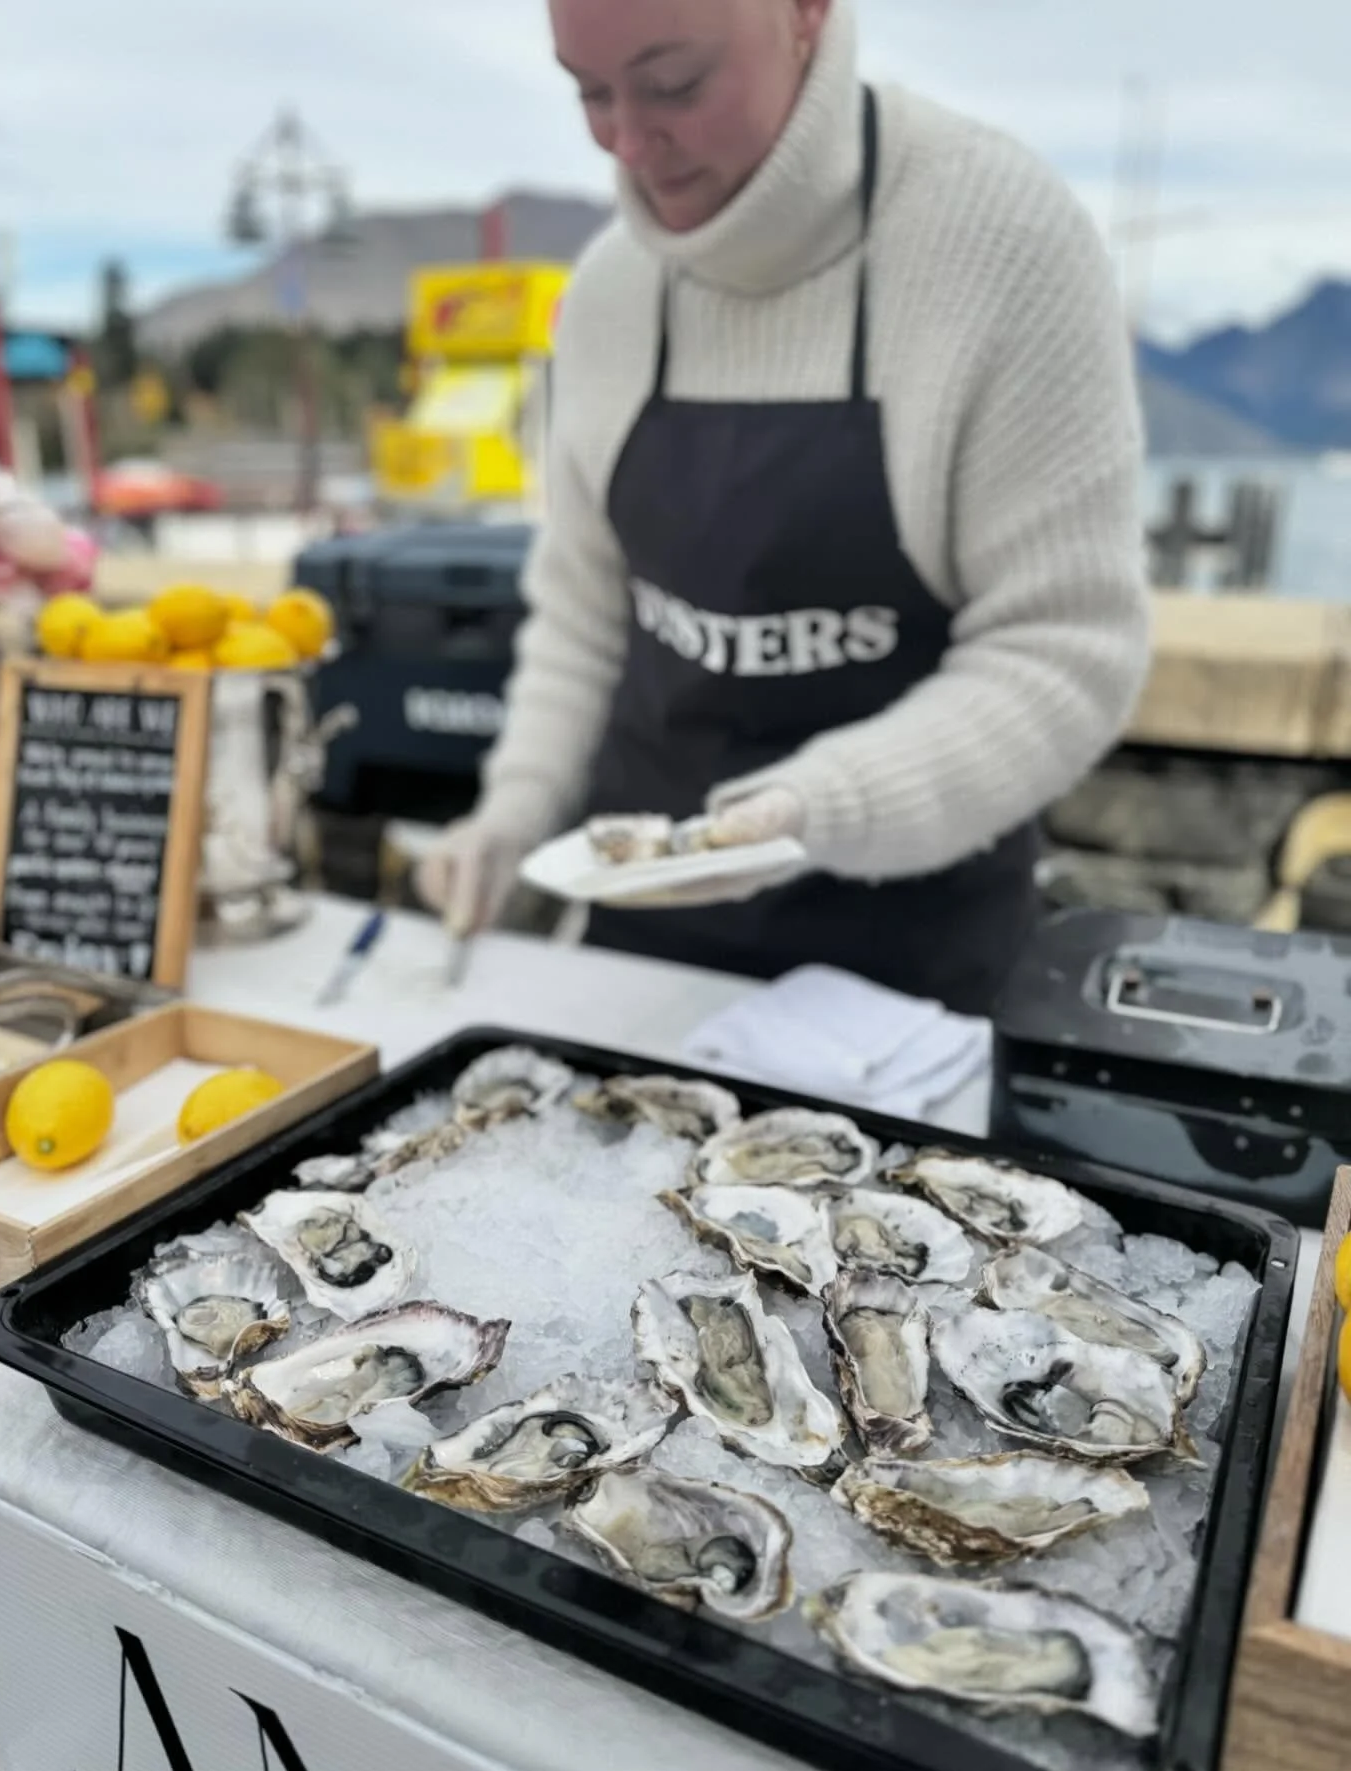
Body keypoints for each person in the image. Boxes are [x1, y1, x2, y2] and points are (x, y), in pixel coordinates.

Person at [416, 0, 1150, 1015]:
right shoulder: (608, 296)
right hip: (639, 972)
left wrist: (818, 809)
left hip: (913, 989)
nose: (629, 144)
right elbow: (588, 618)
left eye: (673, 83)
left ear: (807, 12)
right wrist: (512, 816)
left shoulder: (1003, 244)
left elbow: (1066, 648)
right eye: (590, 93)